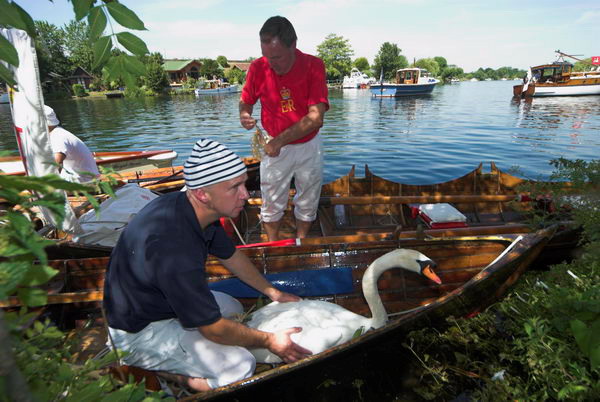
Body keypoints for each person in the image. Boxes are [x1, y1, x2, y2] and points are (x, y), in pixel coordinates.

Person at [103, 138, 312, 392]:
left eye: (244, 184)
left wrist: (273, 292)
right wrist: (270, 341)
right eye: (235, 187)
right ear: (203, 193)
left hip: (159, 306)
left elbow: (231, 256)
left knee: (232, 306)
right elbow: (214, 330)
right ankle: (172, 375)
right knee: (240, 366)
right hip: (139, 333)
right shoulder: (174, 247)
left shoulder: (195, 210)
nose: (245, 195)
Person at [239, 16, 329, 241]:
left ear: (293, 45)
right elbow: (246, 99)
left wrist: (278, 142)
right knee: (271, 200)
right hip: (273, 144)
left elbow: (316, 117)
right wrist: (244, 114)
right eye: (267, 56)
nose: (271, 62)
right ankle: (273, 246)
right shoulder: (258, 67)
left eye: (277, 57)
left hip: (307, 145)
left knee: (308, 199)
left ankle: (300, 242)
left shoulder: (313, 66)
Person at [44, 105, 100, 183]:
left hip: (84, 182)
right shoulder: (59, 132)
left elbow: (57, 162)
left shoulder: (57, 136)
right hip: (86, 179)